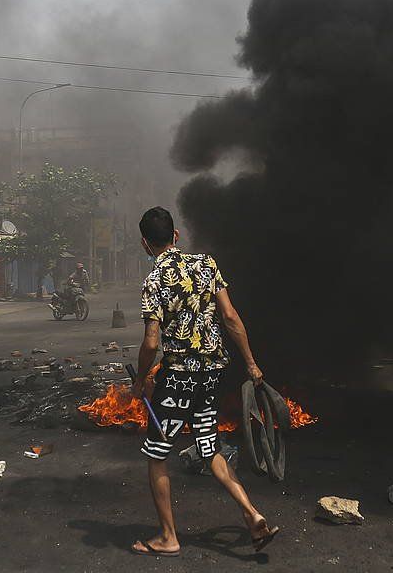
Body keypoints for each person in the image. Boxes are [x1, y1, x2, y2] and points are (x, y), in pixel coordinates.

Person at [130, 206, 279, 557]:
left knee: (156, 455)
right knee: (210, 448)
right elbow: (230, 317)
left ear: (144, 244)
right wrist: (252, 364)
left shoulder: (153, 281)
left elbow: (152, 341)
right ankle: (253, 514)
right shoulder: (206, 265)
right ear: (176, 235)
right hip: (211, 376)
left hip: (178, 378)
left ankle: (168, 537)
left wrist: (139, 381)